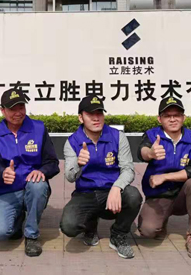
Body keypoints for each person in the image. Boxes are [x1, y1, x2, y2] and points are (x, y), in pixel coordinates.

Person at [60, 95, 142, 259]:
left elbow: (128, 169)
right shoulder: (72, 142)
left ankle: (118, 234)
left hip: (112, 192)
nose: (96, 118)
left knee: (133, 196)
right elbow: (69, 177)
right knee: (68, 226)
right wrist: (78, 163)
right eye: (90, 114)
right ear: (81, 118)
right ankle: (90, 226)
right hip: (86, 193)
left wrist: (117, 187)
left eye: (99, 113)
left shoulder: (117, 137)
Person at [0, 88, 60, 257]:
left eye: (21, 107)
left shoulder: (38, 128)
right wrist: (2, 172)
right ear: (2, 110)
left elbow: (52, 162)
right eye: (12, 109)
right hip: (8, 190)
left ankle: (31, 235)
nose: (18, 112)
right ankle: (17, 219)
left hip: (33, 188)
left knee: (38, 186)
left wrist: (42, 171)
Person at [136, 96, 191, 258]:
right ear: (159, 119)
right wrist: (150, 153)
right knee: (147, 231)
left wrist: (165, 177)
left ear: (183, 117)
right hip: (159, 195)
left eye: (177, 115)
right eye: (167, 116)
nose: (173, 119)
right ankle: (162, 223)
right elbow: (142, 151)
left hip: (184, 196)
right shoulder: (152, 135)